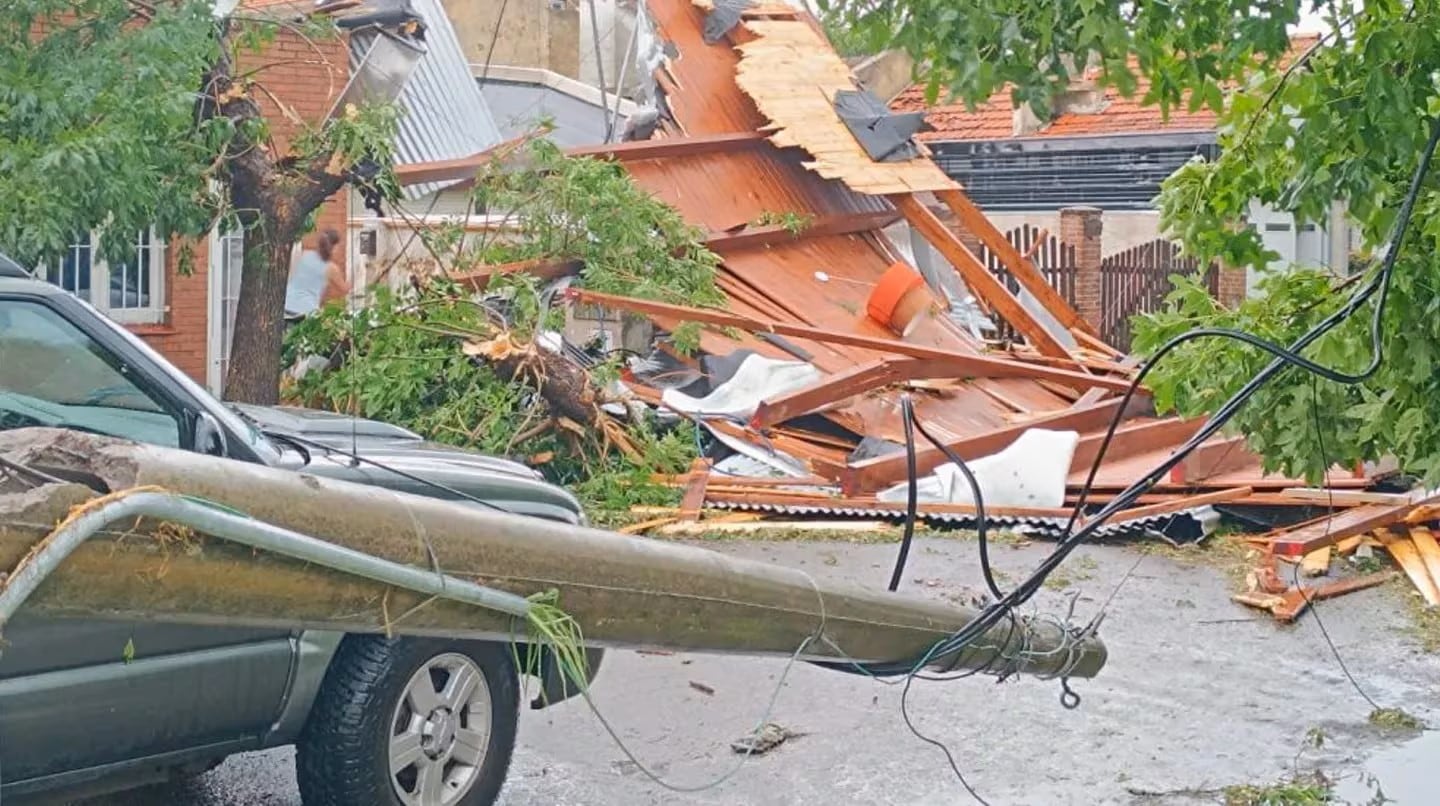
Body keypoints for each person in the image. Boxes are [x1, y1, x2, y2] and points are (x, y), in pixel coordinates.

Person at [284, 228, 348, 324]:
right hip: (305, 312)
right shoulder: (331, 268)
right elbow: (344, 289)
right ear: (334, 247)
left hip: (287, 306)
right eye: (339, 247)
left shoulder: (304, 255)